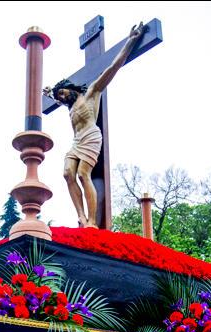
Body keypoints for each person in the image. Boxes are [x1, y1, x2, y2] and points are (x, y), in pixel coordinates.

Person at [44, 22, 146, 228]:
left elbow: (112, 68)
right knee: (67, 174)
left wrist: (130, 42)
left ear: (70, 88)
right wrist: (49, 94)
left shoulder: (91, 93)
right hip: (76, 141)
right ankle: (81, 216)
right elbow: (56, 101)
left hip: (91, 135)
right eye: (60, 97)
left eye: (63, 93)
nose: (62, 98)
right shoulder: (69, 106)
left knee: (83, 174)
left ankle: (92, 221)